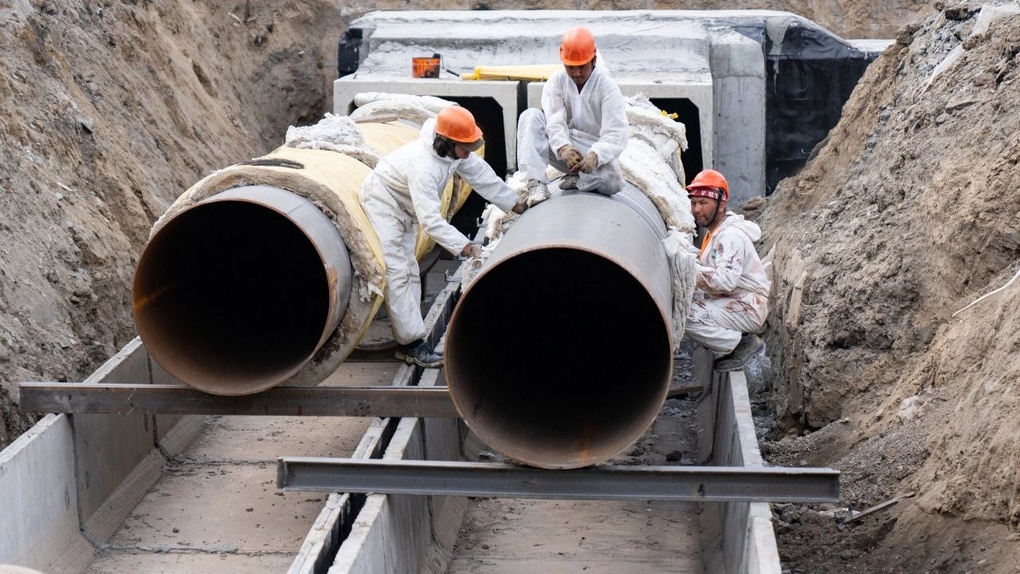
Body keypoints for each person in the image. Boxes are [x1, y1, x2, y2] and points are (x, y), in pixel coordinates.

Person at [360, 106, 528, 368]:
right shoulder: (424, 166)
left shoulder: (454, 153)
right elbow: (430, 221)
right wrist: (465, 246)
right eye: (465, 147)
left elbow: (481, 175)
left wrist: (514, 203)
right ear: (447, 143)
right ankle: (412, 346)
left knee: (409, 270)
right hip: (384, 204)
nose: (468, 153)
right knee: (398, 270)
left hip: (405, 207)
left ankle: (410, 339)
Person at [516, 26, 629, 195]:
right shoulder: (557, 82)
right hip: (563, 146)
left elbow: (616, 132)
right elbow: (554, 121)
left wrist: (596, 155)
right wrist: (563, 148)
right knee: (530, 116)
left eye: (582, 67)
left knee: (613, 184)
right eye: (571, 67)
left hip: (591, 149)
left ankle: (578, 180)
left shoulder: (607, 87)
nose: (576, 73)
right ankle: (536, 183)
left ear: (594, 60)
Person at [683, 169, 771, 371]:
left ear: (721, 204)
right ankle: (735, 341)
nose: (697, 209)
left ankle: (742, 345)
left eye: (704, 203)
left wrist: (687, 268)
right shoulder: (715, 233)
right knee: (688, 297)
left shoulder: (730, 235)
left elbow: (724, 281)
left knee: (685, 315)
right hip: (737, 299)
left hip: (747, 306)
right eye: (694, 203)